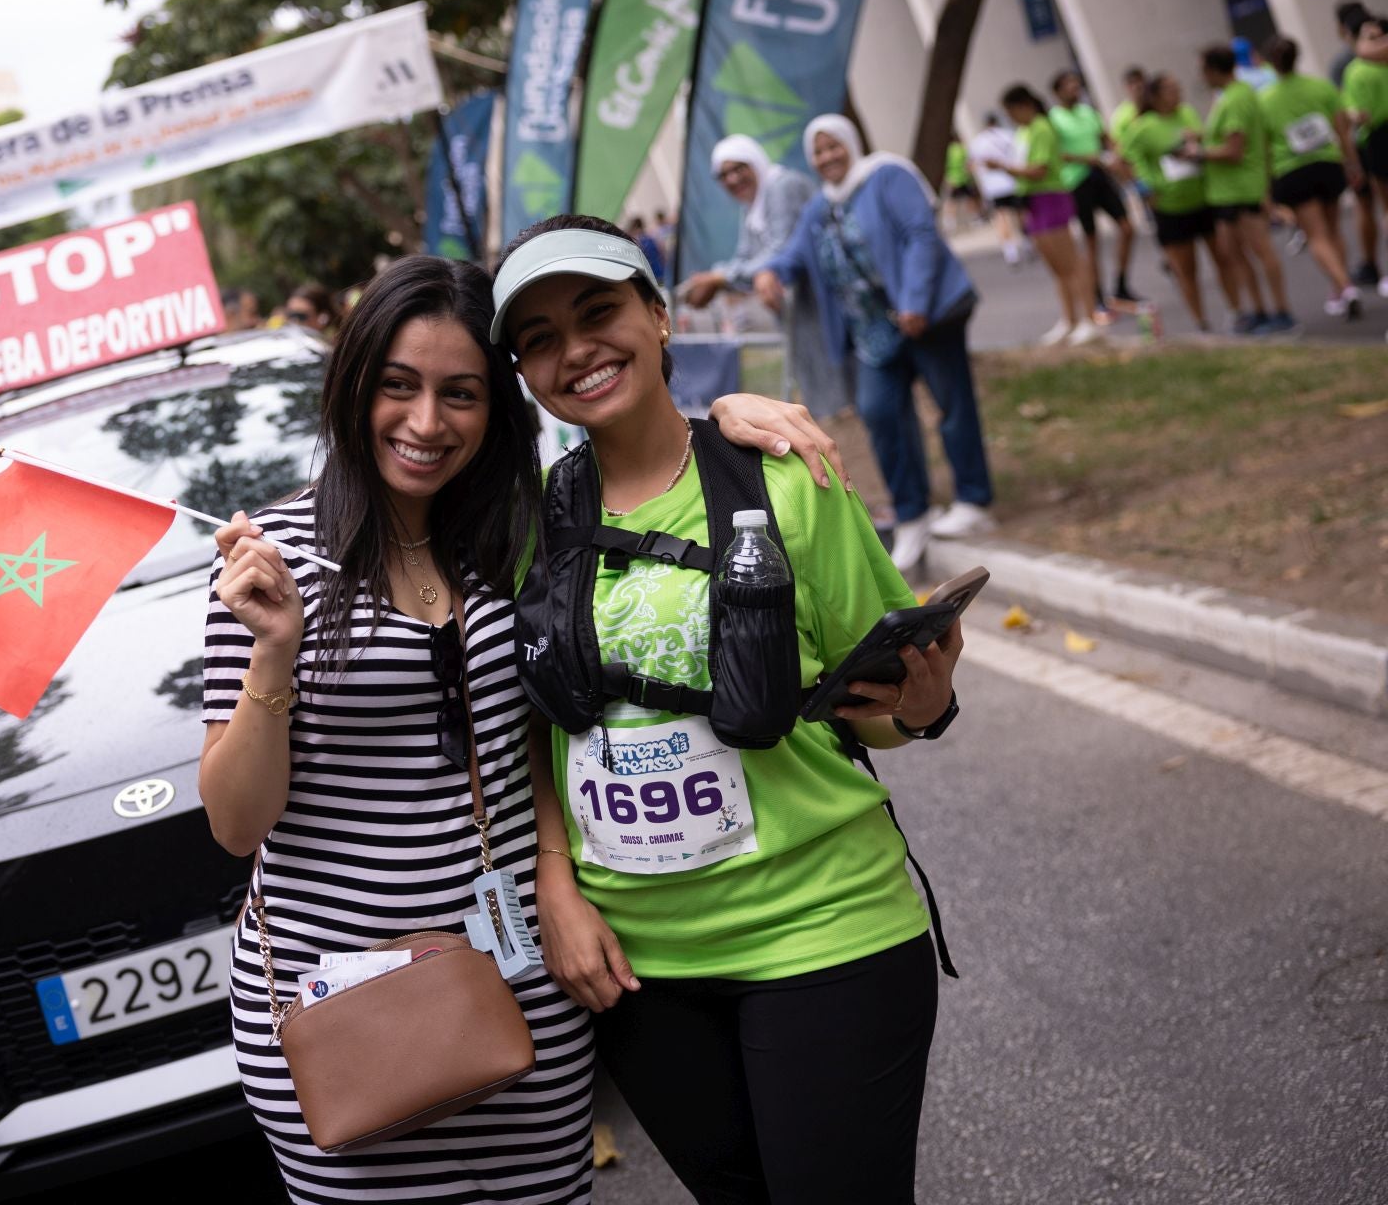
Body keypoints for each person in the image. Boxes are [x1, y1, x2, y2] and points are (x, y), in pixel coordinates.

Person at [199, 254, 836, 1202]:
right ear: (353, 386)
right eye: (398, 387)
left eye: (460, 393)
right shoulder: (272, 561)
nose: (425, 423)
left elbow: (552, 735)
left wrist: (732, 419)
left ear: (496, 408)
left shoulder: (523, 536)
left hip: (518, 992)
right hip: (340, 1007)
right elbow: (237, 825)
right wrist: (276, 654)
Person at [491, 213, 964, 1205]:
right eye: (539, 338)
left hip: (822, 929)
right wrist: (557, 891)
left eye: (599, 311)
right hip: (636, 970)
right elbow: (533, 731)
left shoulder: (787, 477)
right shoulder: (528, 525)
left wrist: (922, 705)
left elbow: (870, 703)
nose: (575, 349)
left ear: (659, 315)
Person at [754, 115, 995, 570]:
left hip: (923, 316)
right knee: (880, 412)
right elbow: (796, 253)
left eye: (833, 147)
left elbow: (920, 235)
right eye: (818, 152)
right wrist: (772, 273)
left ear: (851, 143)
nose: (828, 158)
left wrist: (915, 300)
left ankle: (974, 502)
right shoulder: (821, 207)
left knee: (952, 403)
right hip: (874, 333)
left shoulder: (887, 176)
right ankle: (912, 514)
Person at [680, 135, 849, 419]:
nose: (732, 179)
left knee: (846, 393)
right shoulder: (753, 205)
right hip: (800, 310)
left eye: (738, 168)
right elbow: (746, 256)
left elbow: (780, 250)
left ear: (754, 160)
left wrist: (720, 278)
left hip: (827, 301)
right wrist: (713, 279)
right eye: (724, 175)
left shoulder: (782, 186)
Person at [988, 85, 1103, 345]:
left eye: (1011, 111)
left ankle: (1089, 318)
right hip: (1034, 201)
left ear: (1022, 105)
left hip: (1050, 196)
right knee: (1056, 266)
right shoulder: (1026, 131)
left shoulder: (1041, 127)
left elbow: (1038, 170)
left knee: (1070, 262)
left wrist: (1004, 168)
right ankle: (1069, 319)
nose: (1011, 117)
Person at [1260, 36, 1365, 319]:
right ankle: (1340, 286)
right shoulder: (1320, 86)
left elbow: (1264, 147)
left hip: (1292, 172)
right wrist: (1352, 163)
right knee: (1333, 231)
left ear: (1271, 63)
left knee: (1316, 235)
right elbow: (1342, 129)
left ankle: (1344, 286)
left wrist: (1266, 185)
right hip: (1328, 165)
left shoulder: (1266, 99)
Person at [1199, 44, 1296, 333]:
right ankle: (1259, 310)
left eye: (1203, 69)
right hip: (1226, 191)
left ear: (1214, 70)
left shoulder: (1237, 97)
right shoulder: (1229, 96)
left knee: (1261, 251)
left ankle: (1282, 311)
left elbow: (1234, 149)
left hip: (1242, 188)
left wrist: (1197, 153)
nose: (1200, 76)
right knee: (1232, 253)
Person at [1122, 74, 1217, 331]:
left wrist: (1195, 138)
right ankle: (1201, 321)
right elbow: (1126, 159)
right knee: (1187, 268)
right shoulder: (1142, 126)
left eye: (1178, 88)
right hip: (1170, 206)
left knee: (1225, 257)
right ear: (1155, 96)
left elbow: (1203, 138)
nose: (1178, 94)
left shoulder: (1187, 113)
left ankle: (1240, 311)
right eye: (1171, 90)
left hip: (1203, 197)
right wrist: (1144, 188)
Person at [1051, 69, 1140, 311]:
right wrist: (1086, 159)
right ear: (1058, 91)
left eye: (1077, 86)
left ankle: (1121, 284)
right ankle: (1097, 295)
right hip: (1076, 182)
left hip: (1100, 176)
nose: (1075, 90)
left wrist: (1118, 156)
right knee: (1091, 240)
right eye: (1069, 86)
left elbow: (1106, 138)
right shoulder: (1054, 119)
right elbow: (1057, 153)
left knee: (1127, 228)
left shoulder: (1088, 112)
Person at [1332, 2, 1383, 287]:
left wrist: (1348, 157)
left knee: (1370, 206)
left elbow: (1344, 113)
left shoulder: (1347, 65)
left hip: (1369, 141)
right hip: (1371, 140)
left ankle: (1371, 263)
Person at [1343, 15, 1388, 301]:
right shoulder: (1358, 68)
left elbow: (1356, 113)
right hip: (1377, 140)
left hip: (1379, 136)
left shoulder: (1357, 67)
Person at [968, 112, 1029, 269]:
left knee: (1001, 217)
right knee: (1020, 213)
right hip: (1013, 181)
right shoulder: (1009, 135)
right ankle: (1027, 241)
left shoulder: (979, 141)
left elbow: (972, 164)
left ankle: (1010, 251)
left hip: (993, 186)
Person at [942, 136, 982, 232]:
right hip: (964, 178)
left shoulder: (947, 151)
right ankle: (975, 218)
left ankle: (950, 221)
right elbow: (969, 163)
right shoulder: (961, 148)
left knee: (952, 201)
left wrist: (947, 178)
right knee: (970, 199)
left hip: (953, 179)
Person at [628, 215, 669, 281]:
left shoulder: (638, 242)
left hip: (651, 275)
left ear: (635, 227)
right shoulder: (651, 237)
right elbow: (662, 252)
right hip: (660, 271)